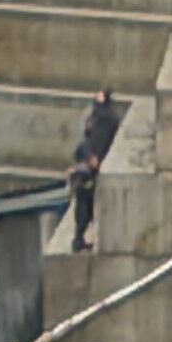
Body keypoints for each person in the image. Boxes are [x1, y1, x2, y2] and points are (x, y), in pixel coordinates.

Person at [63, 88, 125, 253]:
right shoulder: (102, 119)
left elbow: (93, 150)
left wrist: (91, 159)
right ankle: (79, 238)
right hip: (89, 168)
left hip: (91, 168)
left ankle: (79, 237)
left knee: (85, 202)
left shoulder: (103, 121)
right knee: (84, 202)